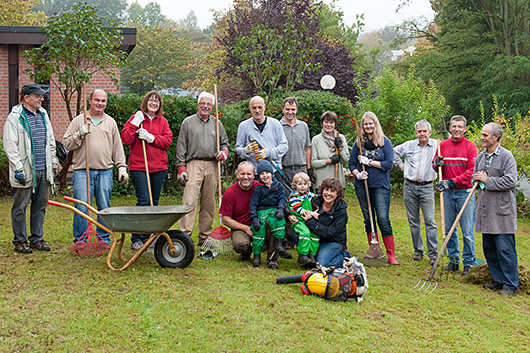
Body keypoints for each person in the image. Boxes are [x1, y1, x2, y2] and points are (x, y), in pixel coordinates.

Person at [63, 89, 128, 244]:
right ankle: (80, 240)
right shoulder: (79, 121)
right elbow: (67, 143)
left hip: (105, 170)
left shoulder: (110, 122)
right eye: (97, 100)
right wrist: (79, 134)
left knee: (104, 207)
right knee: (81, 207)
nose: (100, 104)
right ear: (90, 100)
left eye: (103, 101)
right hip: (82, 171)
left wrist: (121, 167)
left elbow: (117, 147)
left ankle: (103, 238)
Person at [3, 83, 58, 253]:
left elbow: (50, 140)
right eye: (38, 96)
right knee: (20, 206)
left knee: (40, 205)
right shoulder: (15, 117)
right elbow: (10, 145)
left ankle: (37, 239)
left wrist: (53, 161)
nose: (42, 98)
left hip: (43, 168)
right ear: (26, 98)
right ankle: (19, 240)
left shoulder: (43, 114)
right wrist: (17, 168)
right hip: (25, 170)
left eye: (42, 95)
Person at [176, 91, 229, 246]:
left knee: (208, 203)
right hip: (194, 164)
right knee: (189, 200)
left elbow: (225, 143)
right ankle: (184, 236)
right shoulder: (188, 122)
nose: (205, 106)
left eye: (209, 104)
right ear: (198, 104)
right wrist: (181, 168)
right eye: (203, 103)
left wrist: (223, 153)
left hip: (213, 164)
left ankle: (204, 237)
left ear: (212, 106)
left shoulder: (217, 124)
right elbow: (181, 147)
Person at [121, 90, 173, 250]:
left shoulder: (162, 122)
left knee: (154, 203)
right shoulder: (136, 118)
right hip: (139, 167)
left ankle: (148, 238)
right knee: (144, 202)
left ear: (159, 105)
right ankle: (137, 238)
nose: (153, 103)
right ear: (146, 102)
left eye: (156, 101)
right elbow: (126, 139)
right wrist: (135, 122)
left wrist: (151, 138)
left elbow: (167, 141)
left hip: (159, 168)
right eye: (151, 100)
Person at [473, 123, 518, 295]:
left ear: (495, 137)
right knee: (490, 249)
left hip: (501, 211)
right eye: (482, 134)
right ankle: (498, 281)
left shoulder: (507, 156)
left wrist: (487, 180)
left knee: (505, 250)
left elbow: (510, 181)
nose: (482, 138)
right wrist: (476, 179)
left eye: (485, 135)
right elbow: (476, 179)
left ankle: (510, 285)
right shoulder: (481, 157)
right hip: (485, 209)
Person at [349, 111, 399, 265]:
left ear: (375, 124)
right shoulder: (358, 143)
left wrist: (369, 162)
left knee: (383, 218)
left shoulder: (385, 142)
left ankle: (391, 254)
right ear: (362, 127)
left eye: (371, 123)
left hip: (380, 186)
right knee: (368, 218)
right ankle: (374, 249)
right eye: (365, 124)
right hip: (362, 186)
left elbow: (388, 164)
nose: (368, 126)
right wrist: (357, 174)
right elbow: (351, 164)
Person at [433, 115, 477, 275]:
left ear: (465, 129)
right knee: (449, 228)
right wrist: (436, 164)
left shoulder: (470, 147)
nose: (456, 129)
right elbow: (435, 165)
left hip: (465, 192)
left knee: (467, 230)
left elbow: (471, 172)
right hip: (448, 193)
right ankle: (453, 260)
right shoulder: (442, 145)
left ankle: (469, 263)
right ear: (450, 128)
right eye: (454, 126)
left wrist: (451, 182)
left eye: (460, 126)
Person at [393, 119, 439, 266]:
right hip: (410, 186)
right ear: (416, 132)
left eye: (425, 131)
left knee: (430, 221)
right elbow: (392, 152)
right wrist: (401, 165)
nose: (422, 134)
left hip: (427, 187)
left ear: (430, 132)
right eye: (419, 131)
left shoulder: (437, 146)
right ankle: (418, 251)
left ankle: (433, 254)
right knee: (413, 221)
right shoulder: (409, 145)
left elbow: (444, 159)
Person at [293, 177, 349, 269]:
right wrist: (289, 216)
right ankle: (309, 256)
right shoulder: (314, 201)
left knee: (322, 264)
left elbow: (330, 233)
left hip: (332, 241)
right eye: (326, 190)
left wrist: (310, 221)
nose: (328, 193)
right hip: (316, 238)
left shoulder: (341, 210)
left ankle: (345, 257)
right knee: (297, 233)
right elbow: (296, 207)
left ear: (337, 194)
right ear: (322, 190)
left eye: (332, 191)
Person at [249, 160, 289, 268]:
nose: (265, 175)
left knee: (277, 223)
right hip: (262, 212)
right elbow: (253, 204)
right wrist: (254, 218)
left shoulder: (279, 186)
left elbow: (282, 198)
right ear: (259, 176)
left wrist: (281, 209)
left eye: (267, 172)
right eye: (262, 173)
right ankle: (257, 256)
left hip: (275, 211)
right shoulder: (258, 189)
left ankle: (275, 253)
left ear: (272, 173)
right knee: (259, 229)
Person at [235, 96, 288, 169]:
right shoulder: (243, 126)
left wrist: (268, 153)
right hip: (253, 172)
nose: (257, 110)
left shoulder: (275, 124)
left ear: (264, 107)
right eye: (254, 108)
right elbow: (238, 148)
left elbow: (284, 146)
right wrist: (246, 151)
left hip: (273, 171)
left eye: (260, 107)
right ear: (250, 108)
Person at [220, 161, 259, 261]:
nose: (245, 177)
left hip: (259, 224)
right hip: (240, 227)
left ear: (254, 175)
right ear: (237, 174)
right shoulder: (230, 192)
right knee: (240, 245)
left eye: (249, 174)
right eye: (242, 174)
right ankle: (247, 251)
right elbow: (226, 219)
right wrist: (245, 228)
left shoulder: (260, 187)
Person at [310, 111, 349, 188]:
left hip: (338, 183)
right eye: (326, 122)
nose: (328, 125)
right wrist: (329, 161)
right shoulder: (316, 139)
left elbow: (345, 160)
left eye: (331, 122)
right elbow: (313, 163)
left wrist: (340, 148)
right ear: (322, 123)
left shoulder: (340, 138)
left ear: (335, 124)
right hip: (322, 184)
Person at [280, 97, 312, 185]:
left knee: (303, 197)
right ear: (283, 109)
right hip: (285, 170)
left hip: (301, 169)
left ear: (296, 110)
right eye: (287, 109)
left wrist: (309, 169)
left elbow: (307, 149)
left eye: (293, 109)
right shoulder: (278, 126)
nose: (290, 112)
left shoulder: (303, 126)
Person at [288, 172, 318, 268]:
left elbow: (316, 197)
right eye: (300, 184)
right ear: (295, 185)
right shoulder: (294, 196)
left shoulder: (308, 195)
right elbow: (300, 210)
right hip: (299, 221)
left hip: (307, 219)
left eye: (304, 184)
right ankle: (302, 255)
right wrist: (312, 213)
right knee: (305, 233)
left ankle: (312, 255)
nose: (302, 186)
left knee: (315, 234)